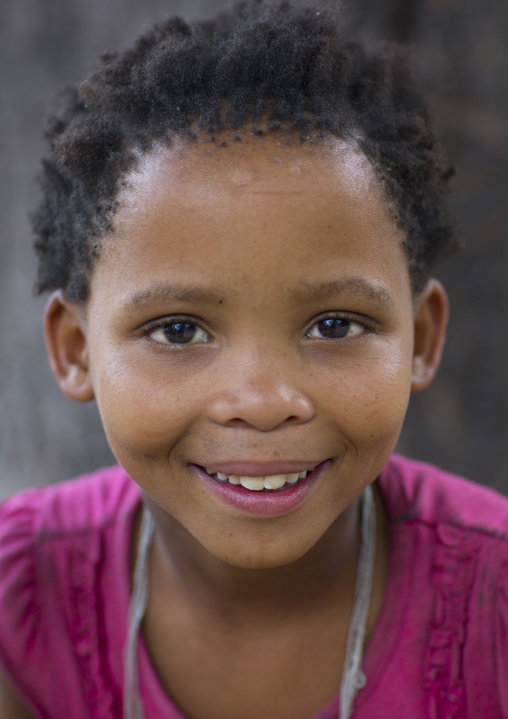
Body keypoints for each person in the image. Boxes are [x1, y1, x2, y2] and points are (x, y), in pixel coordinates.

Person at [1, 2, 507, 717]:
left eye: (335, 324)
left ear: (421, 338)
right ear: (75, 350)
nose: (263, 400)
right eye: (178, 331)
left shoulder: (495, 604)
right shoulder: (20, 599)